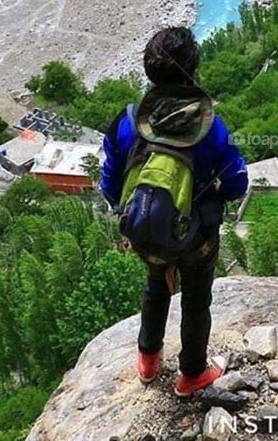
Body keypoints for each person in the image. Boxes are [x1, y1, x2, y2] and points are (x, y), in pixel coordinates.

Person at [100, 26, 248, 395]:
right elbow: (237, 184)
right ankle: (193, 374)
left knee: (156, 284)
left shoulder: (128, 120)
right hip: (195, 238)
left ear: (148, 72)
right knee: (197, 299)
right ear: (194, 70)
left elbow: (110, 182)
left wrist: (134, 209)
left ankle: (148, 361)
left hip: (145, 234)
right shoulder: (210, 127)